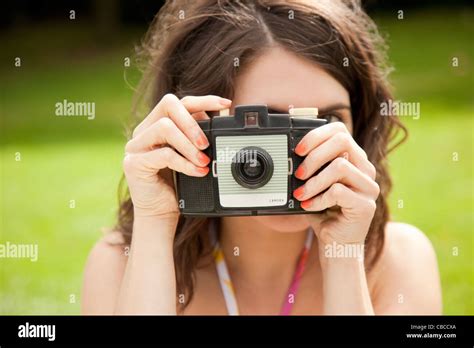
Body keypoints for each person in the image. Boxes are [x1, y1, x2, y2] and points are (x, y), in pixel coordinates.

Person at [82, 0, 442, 315]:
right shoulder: (121, 264)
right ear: (191, 127)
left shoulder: (399, 259)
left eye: (327, 122)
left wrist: (343, 257)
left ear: (358, 126)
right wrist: (156, 222)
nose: (295, 158)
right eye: (266, 125)